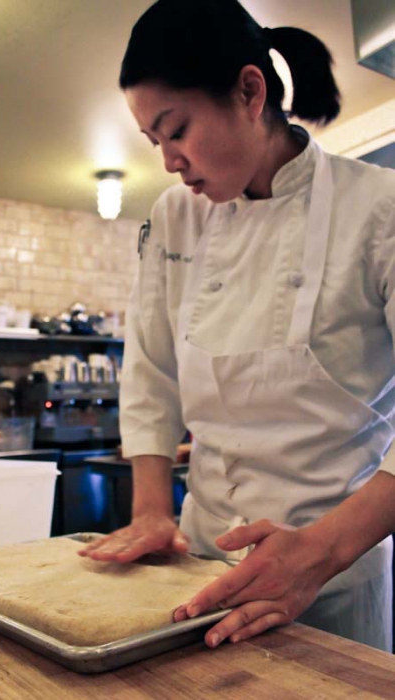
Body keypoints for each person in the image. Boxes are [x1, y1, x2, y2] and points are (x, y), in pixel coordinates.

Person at [79, 0, 395, 652]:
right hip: (197, 571)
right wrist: (150, 511)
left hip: (333, 578)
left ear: (250, 91)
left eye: (178, 131)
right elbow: (151, 366)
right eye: (154, 142)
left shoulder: (379, 209)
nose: (168, 160)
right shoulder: (175, 217)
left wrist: (319, 553)